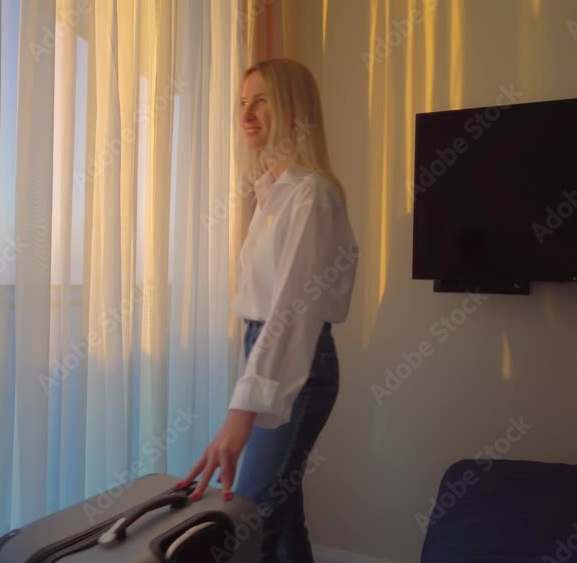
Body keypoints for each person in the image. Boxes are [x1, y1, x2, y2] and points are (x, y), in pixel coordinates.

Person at [176, 58, 359, 562]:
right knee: (280, 513)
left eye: (262, 100)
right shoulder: (271, 196)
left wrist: (243, 409)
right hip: (268, 351)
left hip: (298, 362)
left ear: (294, 110)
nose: (247, 113)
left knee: (248, 516)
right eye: (242, 101)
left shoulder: (312, 195)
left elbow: (293, 312)